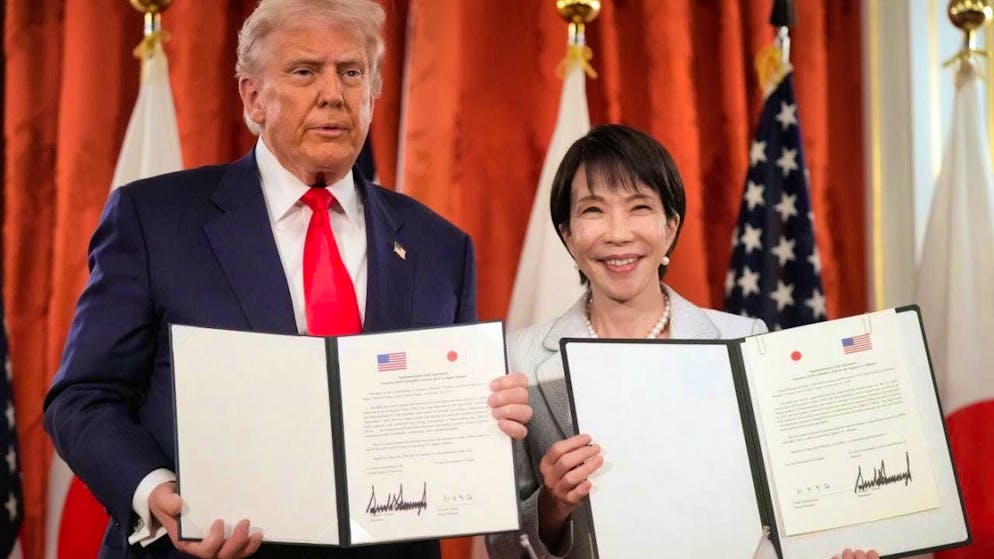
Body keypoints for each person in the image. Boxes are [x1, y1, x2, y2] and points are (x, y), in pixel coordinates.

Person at [43, 1, 530, 558]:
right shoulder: (155, 219)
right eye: (304, 71)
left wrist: (486, 414)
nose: (333, 94)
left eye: (352, 73)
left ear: (373, 96)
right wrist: (156, 491)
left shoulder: (439, 246)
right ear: (253, 98)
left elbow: (439, 419)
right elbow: (83, 396)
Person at [485, 124, 877, 559]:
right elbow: (499, 545)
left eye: (639, 207)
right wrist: (551, 504)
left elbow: (788, 501)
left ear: (671, 227)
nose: (618, 233)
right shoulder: (517, 361)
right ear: (567, 234)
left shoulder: (744, 340)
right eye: (593, 210)